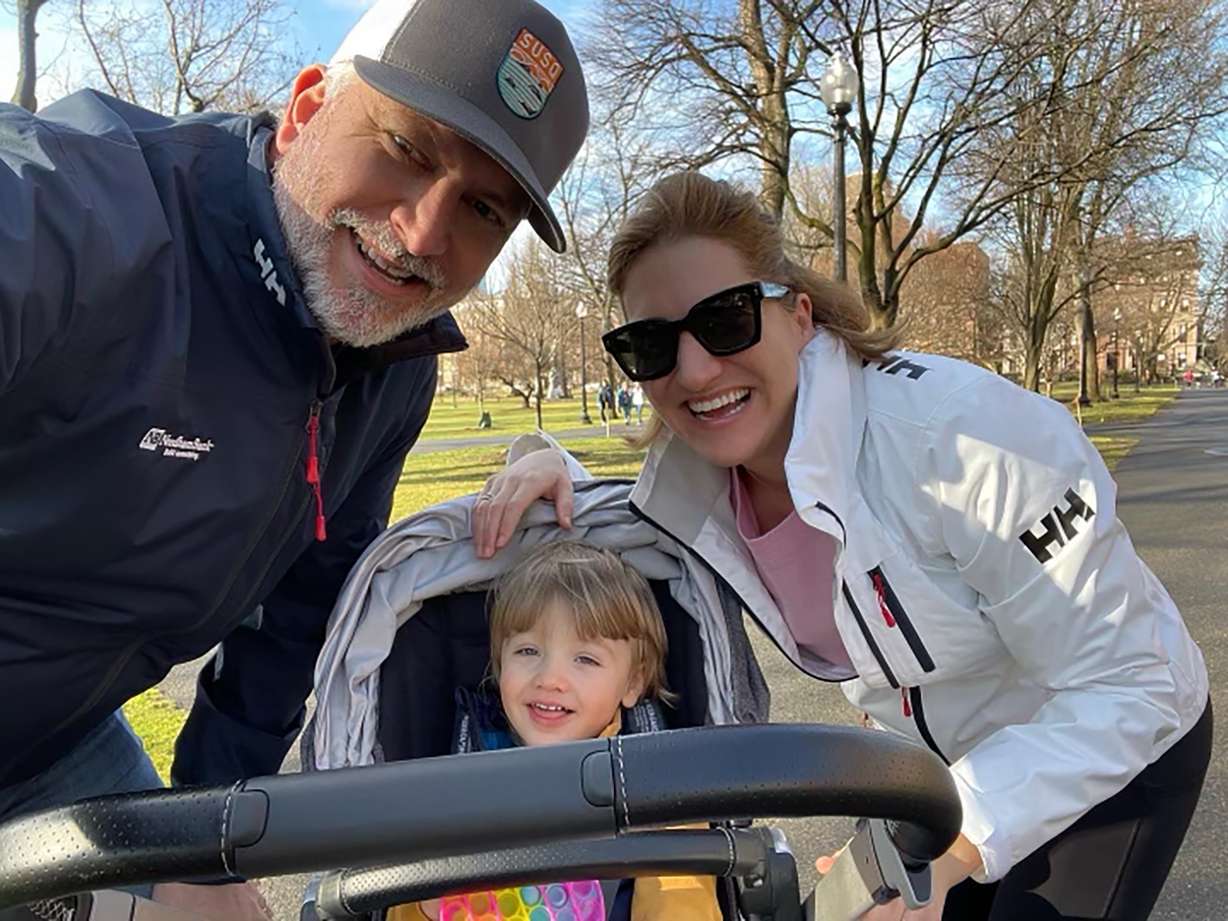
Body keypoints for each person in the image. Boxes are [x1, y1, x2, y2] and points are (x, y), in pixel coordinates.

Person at [474, 172, 1212, 921]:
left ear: (798, 314)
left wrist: (955, 851)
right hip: (931, 771)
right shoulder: (704, 474)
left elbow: (1132, 682)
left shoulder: (971, 444)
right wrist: (547, 463)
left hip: (1107, 746)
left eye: (727, 319)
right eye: (653, 344)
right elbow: (641, 507)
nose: (695, 370)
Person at [0, 0, 587, 914]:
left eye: (481, 208)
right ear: (309, 106)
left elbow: (302, 607)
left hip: (58, 739)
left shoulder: (397, 367)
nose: (426, 233)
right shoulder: (78, 211)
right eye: (408, 148)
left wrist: (205, 847)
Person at [386, 540, 720, 921]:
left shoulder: (659, 795)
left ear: (632, 684)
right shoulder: (456, 789)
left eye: (585, 659)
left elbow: (682, 905)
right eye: (528, 652)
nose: (550, 678)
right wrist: (428, 906)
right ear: (498, 666)